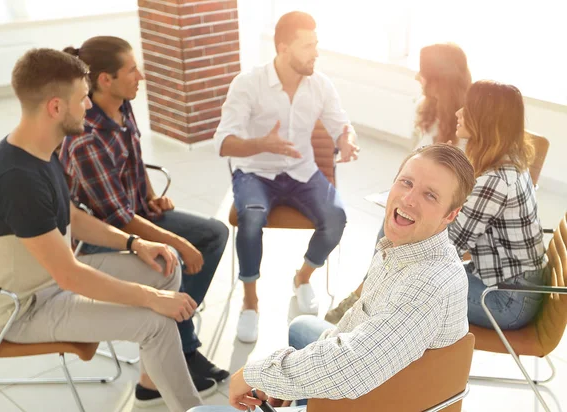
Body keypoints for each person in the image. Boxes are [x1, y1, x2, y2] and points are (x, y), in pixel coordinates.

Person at [0, 48, 201, 411]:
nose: (88, 108)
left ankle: (151, 382)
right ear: (55, 108)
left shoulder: (41, 149)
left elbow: (72, 218)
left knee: (164, 263)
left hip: (51, 283)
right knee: (154, 323)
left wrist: (133, 242)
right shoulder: (16, 179)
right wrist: (150, 298)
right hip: (26, 308)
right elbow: (69, 275)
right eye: (82, 99)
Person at [187, 143, 476, 412]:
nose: (409, 199)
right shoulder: (403, 249)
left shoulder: (428, 284)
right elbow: (359, 321)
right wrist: (287, 381)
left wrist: (257, 374)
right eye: (406, 182)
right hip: (392, 384)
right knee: (303, 328)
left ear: (450, 215)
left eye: (430, 195)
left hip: (375, 402)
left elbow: (355, 365)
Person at [59, 36, 230, 394]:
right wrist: (178, 242)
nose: (141, 76)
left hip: (135, 214)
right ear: (105, 79)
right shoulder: (86, 138)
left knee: (214, 234)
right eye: (132, 69)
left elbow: (134, 159)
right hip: (102, 239)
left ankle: (174, 338)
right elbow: (117, 218)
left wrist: (152, 195)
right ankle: (176, 348)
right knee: (175, 258)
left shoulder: (121, 104)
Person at [213, 11, 360, 344]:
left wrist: (347, 141)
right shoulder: (248, 83)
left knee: (337, 218)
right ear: (283, 47)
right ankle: (250, 301)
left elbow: (341, 124)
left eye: (316, 44)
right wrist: (261, 144)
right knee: (250, 218)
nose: (316, 52)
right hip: (256, 172)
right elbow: (222, 142)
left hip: (301, 172)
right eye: (308, 45)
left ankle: (303, 277)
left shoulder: (320, 85)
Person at [325, 42, 472, 323]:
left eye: (423, 72)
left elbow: (459, 194)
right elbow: (412, 165)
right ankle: (366, 293)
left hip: (443, 218)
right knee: (391, 222)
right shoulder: (426, 109)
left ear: (440, 77)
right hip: (424, 205)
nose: (418, 77)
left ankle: (363, 295)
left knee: (393, 228)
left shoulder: (465, 127)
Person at [450, 80, 546, 329]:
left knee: (410, 285)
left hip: (506, 299)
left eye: (467, 109)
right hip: (511, 285)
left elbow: (450, 248)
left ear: (484, 119)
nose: (458, 113)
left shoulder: (495, 180)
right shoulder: (511, 158)